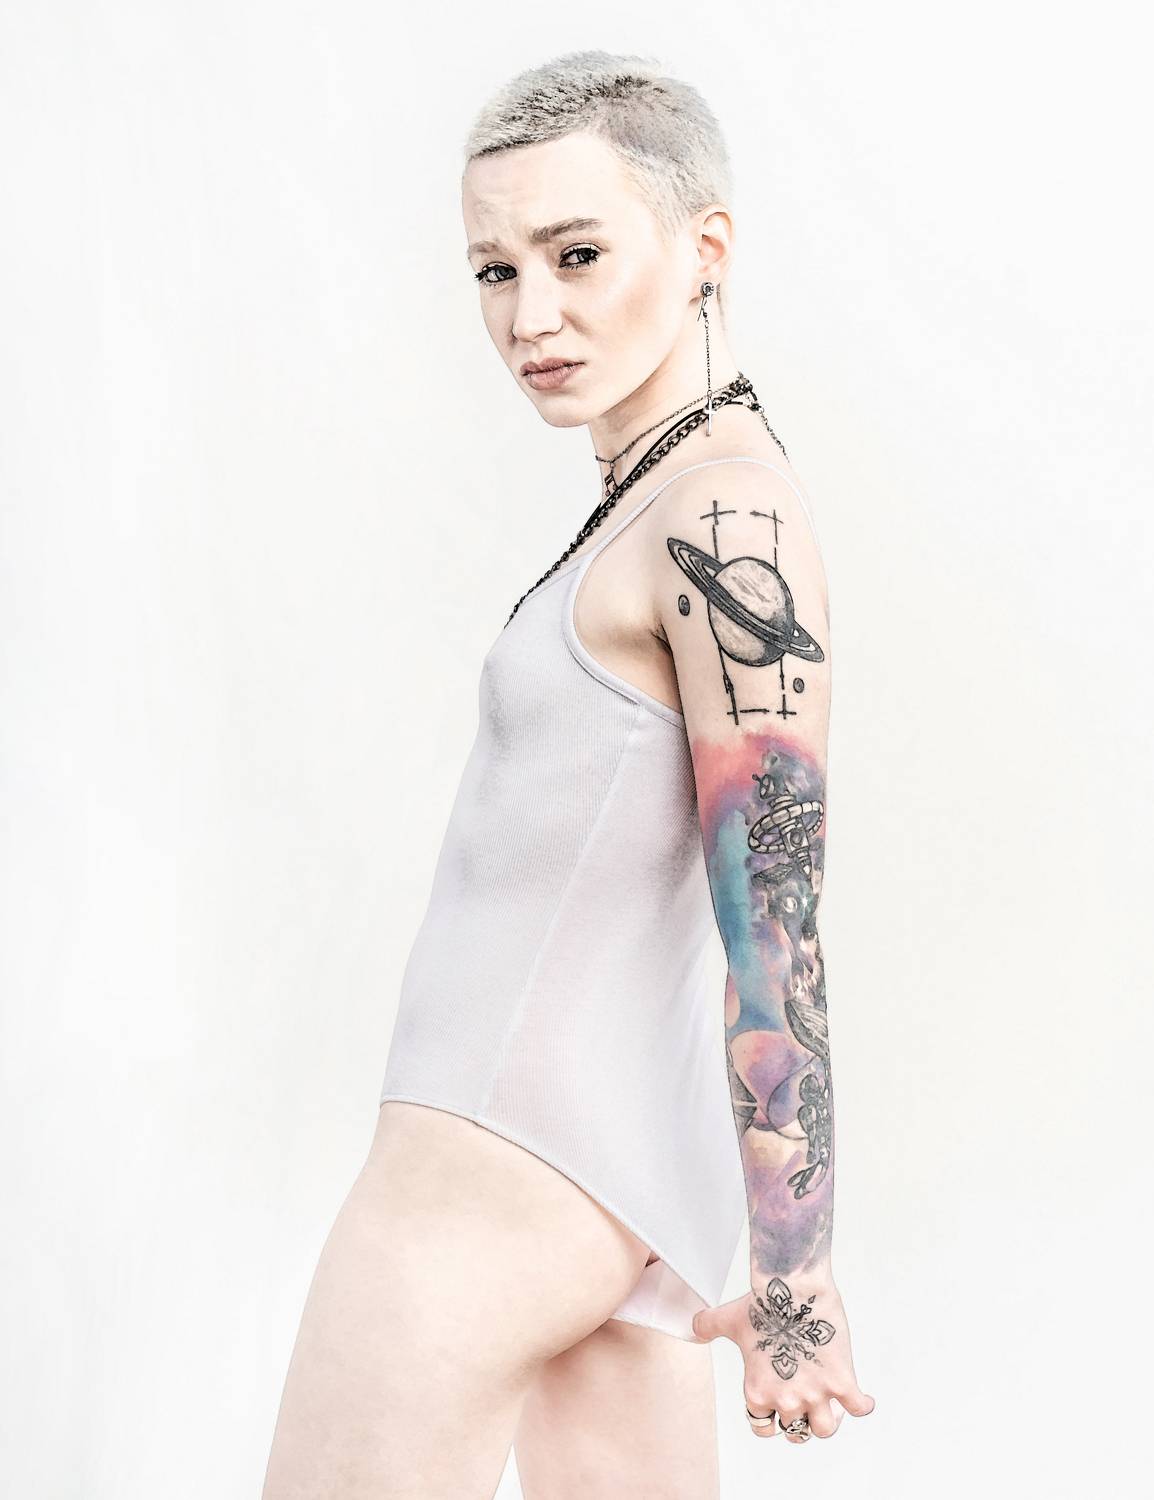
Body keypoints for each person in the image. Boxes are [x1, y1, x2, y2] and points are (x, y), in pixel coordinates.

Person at [261, 48, 875, 1499]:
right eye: (496, 269)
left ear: (705, 246)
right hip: (617, 1194)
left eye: (578, 254)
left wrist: (797, 1277)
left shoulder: (716, 517)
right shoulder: (673, 497)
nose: (531, 315)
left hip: (481, 1191)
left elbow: (775, 921)